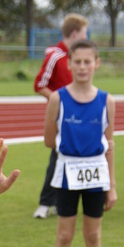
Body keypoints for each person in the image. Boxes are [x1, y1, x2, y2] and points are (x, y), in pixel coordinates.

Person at [44, 41, 117, 247]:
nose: (83, 67)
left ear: (96, 63)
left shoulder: (107, 101)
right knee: (64, 234)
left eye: (88, 61)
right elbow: (49, 140)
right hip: (67, 173)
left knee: (93, 234)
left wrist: (112, 186)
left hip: (97, 174)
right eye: (78, 61)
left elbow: (109, 144)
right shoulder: (58, 99)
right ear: (70, 64)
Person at [33, 13, 89, 219]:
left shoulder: (76, 57)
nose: (86, 37)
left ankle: (60, 200)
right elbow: (39, 84)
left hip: (78, 115)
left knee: (72, 157)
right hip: (59, 117)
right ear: (74, 33)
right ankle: (45, 202)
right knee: (57, 157)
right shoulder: (56, 56)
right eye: (84, 33)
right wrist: (60, 100)